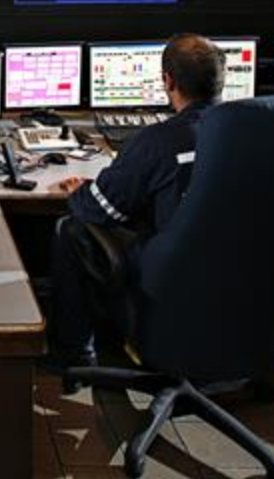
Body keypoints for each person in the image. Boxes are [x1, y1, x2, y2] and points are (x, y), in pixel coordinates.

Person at [44, 32, 226, 382]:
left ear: (168, 81)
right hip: (245, 282)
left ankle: (74, 354)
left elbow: (98, 211)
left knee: (71, 229)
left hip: (174, 281)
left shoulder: (159, 141)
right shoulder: (255, 136)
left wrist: (82, 191)